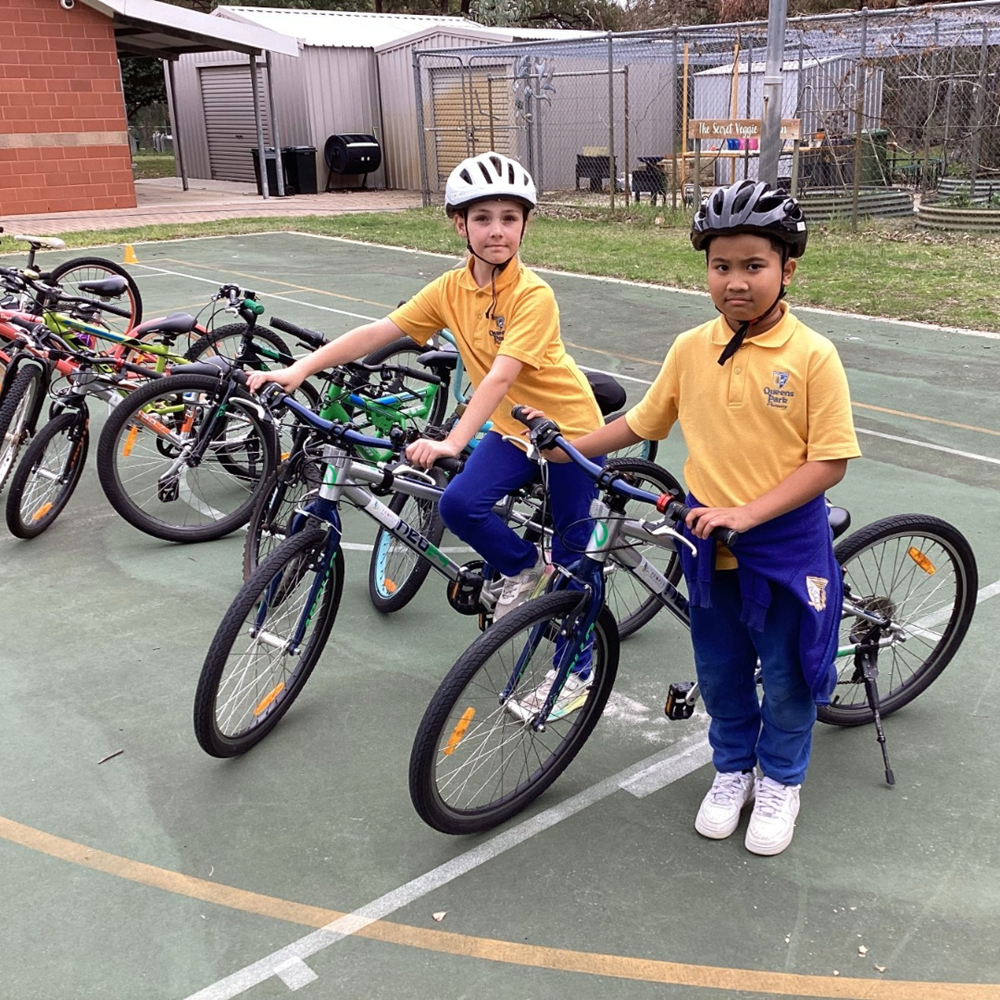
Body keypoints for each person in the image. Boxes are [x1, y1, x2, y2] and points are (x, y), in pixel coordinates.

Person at [534, 180, 860, 855]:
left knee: (791, 672)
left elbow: (828, 463)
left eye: (753, 266)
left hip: (783, 546)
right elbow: (641, 422)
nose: (735, 281)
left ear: (787, 269)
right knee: (720, 670)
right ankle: (733, 767)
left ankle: (781, 781)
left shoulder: (811, 357)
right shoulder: (690, 347)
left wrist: (747, 511)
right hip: (709, 545)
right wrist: (561, 448)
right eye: (721, 266)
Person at [246, 151, 604, 708]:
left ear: (526, 224)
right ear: (458, 224)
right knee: (460, 506)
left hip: (570, 433)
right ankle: (524, 568)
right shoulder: (450, 288)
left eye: (510, 218)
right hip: (513, 430)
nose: (497, 231)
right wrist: (297, 370)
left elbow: (500, 376)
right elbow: (379, 331)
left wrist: (453, 441)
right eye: (482, 218)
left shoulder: (534, 295)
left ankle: (574, 675)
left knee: (579, 559)